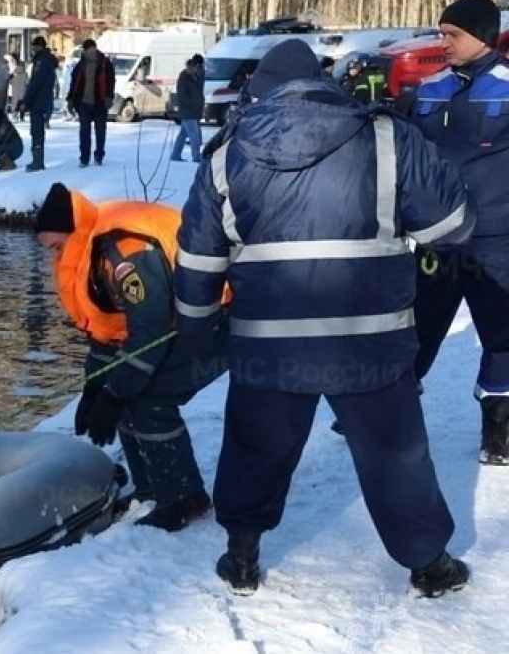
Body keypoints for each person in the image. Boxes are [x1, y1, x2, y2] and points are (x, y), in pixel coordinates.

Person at [174, 38, 473, 597]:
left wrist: (194, 327)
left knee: (257, 445)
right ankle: (429, 564)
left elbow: (198, 257)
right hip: (372, 341)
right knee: (394, 452)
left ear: (259, 90)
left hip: (269, 343)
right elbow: (451, 227)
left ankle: (242, 556)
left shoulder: (226, 152)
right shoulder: (387, 136)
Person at [35, 183, 229, 532]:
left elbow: (149, 332)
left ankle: (185, 498)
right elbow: (110, 328)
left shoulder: (125, 255)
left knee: (150, 397)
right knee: (125, 391)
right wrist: (95, 383)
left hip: (220, 319)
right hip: (177, 320)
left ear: (71, 233)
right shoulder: (89, 250)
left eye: (56, 247)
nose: (55, 257)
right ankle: (150, 487)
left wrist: (114, 392)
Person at [410, 0, 509, 466]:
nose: (443, 42)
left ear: (483, 36)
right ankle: (381, 414)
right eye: (441, 32)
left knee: (504, 336)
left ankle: (499, 432)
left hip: (496, 239)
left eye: (453, 34)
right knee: (410, 328)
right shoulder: (429, 89)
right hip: (437, 237)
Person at [66, 39, 113, 168]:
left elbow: (111, 81)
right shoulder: (80, 66)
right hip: (83, 103)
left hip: (100, 103)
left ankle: (99, 155)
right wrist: (70, 99)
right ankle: (84, 158)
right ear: (85, 52)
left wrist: (109, 97)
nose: (92, 55)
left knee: (100, 131)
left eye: (94, 52)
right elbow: (74, 84)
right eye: (89, 53)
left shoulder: (105, 64)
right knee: (84, 132)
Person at [17, 36, 59, 172]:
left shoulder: (42, 61)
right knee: (37, 130)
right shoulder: (48, 61)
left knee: (36, 130)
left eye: (34, 47)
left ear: (38, 47)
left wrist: (26, 101)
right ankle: (37, 159)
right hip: (44, 99)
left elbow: (35, 83)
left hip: (38, 100)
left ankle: (37, 161)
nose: (33, 49)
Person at [171, 56, 205, 162]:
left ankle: (175, 155)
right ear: (189, 67)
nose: (196, 69)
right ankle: (196, 156)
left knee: (183, 135)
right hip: (188, 112)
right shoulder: (184, 78)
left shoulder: (194, 77)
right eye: (194, 67)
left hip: (193, 111)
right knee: (195, 136)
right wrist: (191, 106)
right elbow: (183, 95)